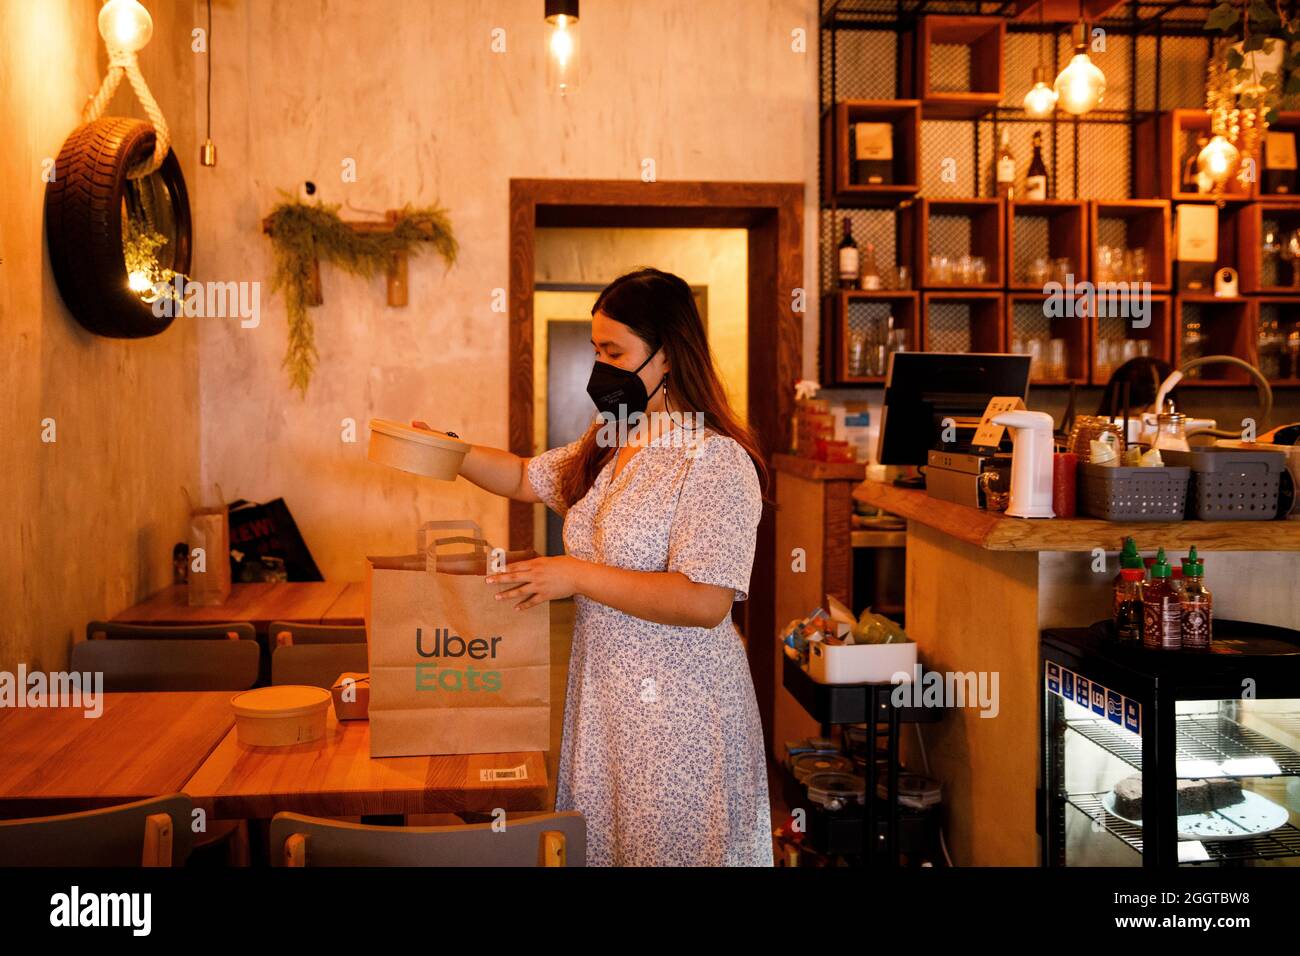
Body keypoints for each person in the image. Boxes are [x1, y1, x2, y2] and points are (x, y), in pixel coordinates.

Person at [445, 267, 772, 866]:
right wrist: (451, 453)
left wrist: (573, 574)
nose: (602, 366)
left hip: (682, 713)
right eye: (597, 350)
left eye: (615, 351)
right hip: (607, 699)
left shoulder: (716, 460)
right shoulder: (614, 439)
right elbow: (523, 475)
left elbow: (707, 601)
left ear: (668, 355)